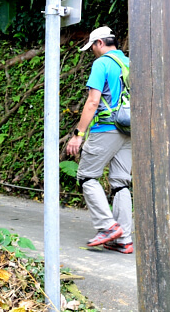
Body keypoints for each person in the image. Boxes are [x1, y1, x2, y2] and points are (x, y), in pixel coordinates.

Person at [67, 26, 133, 254]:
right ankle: (123, 239)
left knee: (86, 176)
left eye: (92, 47)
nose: (93, 52)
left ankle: (107, 227)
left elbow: (93, 101)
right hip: (129, 129)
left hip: (106, 128)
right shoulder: (129, 63)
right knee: (121, 182)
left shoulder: (102, 63)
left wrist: (79, 134)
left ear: (100, 43)